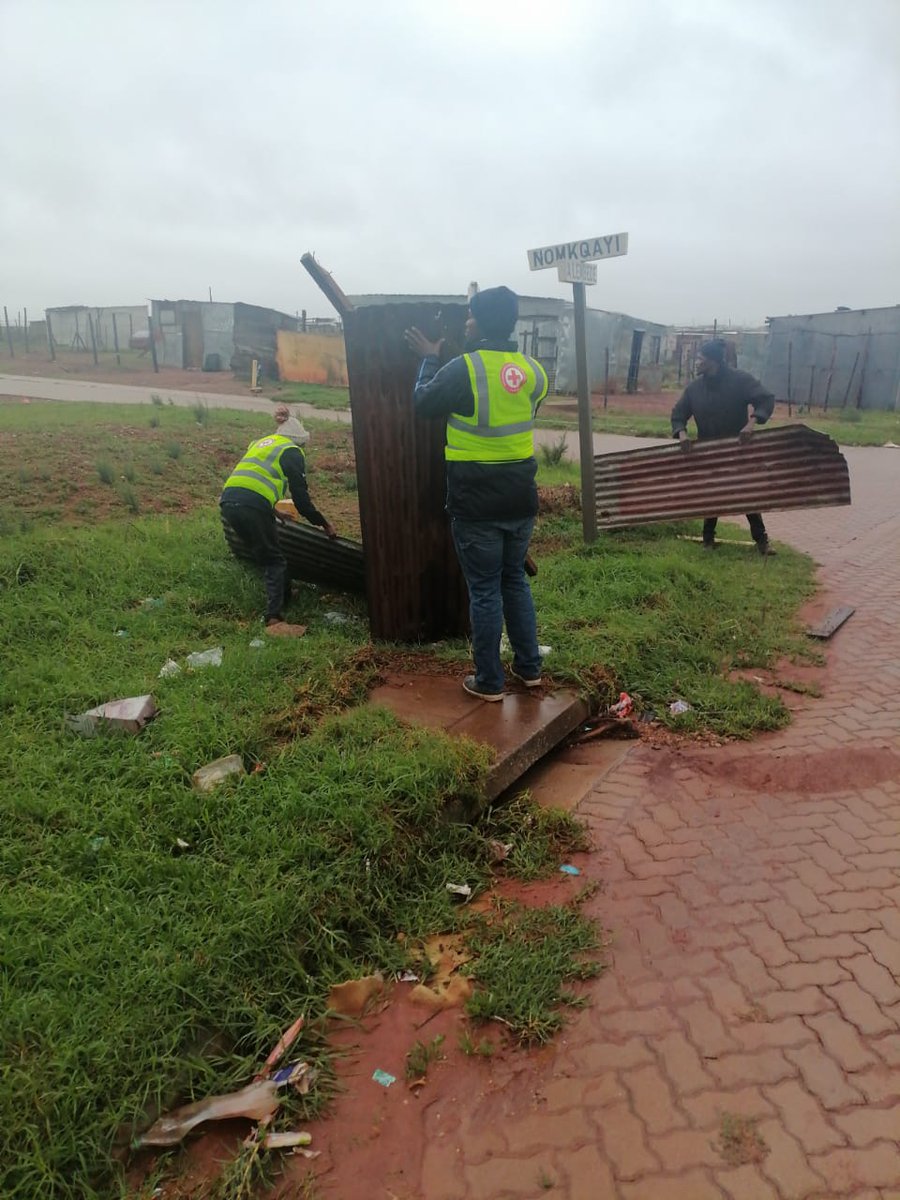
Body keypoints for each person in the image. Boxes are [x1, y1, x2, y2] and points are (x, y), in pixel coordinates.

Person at [404, 286, 549, 701]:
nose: (465, 322)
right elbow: (524, 404)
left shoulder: (463, 368)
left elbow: (422, 402)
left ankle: (489, 682)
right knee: (514, 584)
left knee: (484, 590)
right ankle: (529, 669)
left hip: (477, 503)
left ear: (482, 321)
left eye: (470, 316)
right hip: (521, 499)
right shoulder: (534, 372)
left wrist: (430, 357)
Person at [220, 408, 336, 626]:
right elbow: (301, 500)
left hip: (228, 501)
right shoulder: (292, 451)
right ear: (299, 442)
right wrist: (324, 523)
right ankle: (274, 617)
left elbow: (253, 479)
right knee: (273, 559)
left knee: (267, 550)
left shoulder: (262, 443)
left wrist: (274, 511)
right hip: (252, 505)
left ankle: (287, 594)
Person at [670, 338, 776, 554]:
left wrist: (752, 423)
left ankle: (762, 541)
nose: (697, 363)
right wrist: (682, 434)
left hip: (737, 448)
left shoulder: (740, 381)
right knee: (712, 493)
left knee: (746, 494)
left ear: (713, 362)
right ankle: (707, 540)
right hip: (708, 449)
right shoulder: (694, 389)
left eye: (700, 359)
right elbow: (678, 414)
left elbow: (765, 399)